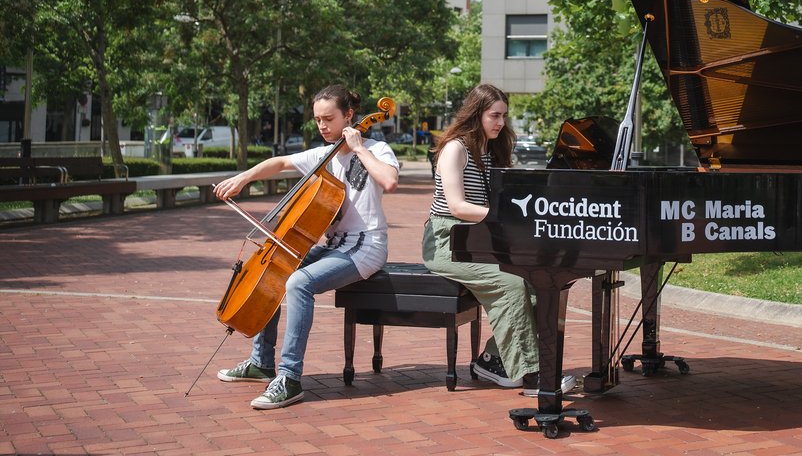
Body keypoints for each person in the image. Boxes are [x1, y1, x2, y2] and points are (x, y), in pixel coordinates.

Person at [212, 85, 399, 410]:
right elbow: (279, 161)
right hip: (336, 246)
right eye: (317, 120)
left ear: (349, 116)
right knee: (275, 266)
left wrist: (358, 149)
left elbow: (389, 181)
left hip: (367, 247)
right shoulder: (322, 155)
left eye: (329, 119)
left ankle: (290, 378)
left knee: (299, 282)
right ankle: (261, 362)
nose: (323, 126)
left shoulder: (377, 148)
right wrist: (243, 178)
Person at [422, 83, 575, 397]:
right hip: (446, 240)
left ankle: (494, 360)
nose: (501, 123)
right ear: (477, 114)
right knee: (511, 284)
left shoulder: (492, 151)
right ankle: (535, 376)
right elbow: (457, 206)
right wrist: (504, 218)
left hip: (478, 239)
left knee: (537, 281)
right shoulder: (456, 148)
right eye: (494, 115)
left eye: (504, 116)